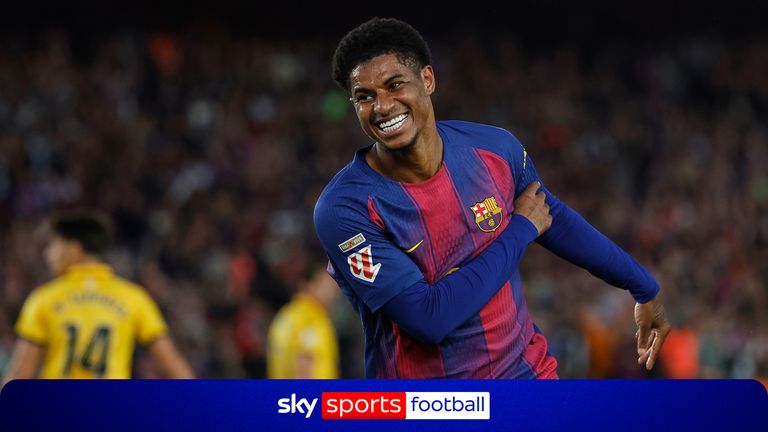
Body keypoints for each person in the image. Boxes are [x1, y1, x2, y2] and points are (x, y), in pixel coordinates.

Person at [313, 17, 671, 378]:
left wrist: (643, 286)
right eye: (365, 97)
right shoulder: (345, 208)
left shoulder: (494, 150)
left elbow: (552, 218)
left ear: (427, 80)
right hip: (427, 400)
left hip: (526, 376)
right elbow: (428, 318)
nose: (382, 106)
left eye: (394, 85)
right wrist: (519, 230)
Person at [2, 210, 194, 385]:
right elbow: (175, 366)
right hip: (111, 406)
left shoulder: (44, 298)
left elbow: (20, 374)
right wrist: (199, 405)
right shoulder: (134, 297)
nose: (48, 254)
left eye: (54, 245)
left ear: (74, 248)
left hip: (60, 407)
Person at [267, 262, 340, 379]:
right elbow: (303, 368)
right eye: (326, 284)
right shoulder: (310, 317)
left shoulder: (286, 314)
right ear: (307, 285)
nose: (334, 292)